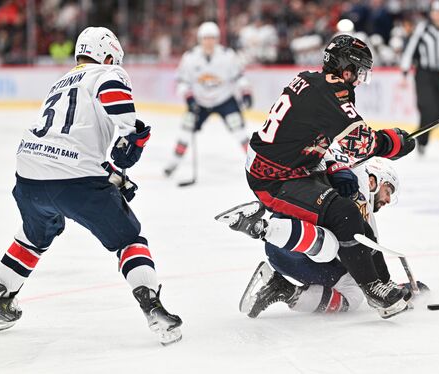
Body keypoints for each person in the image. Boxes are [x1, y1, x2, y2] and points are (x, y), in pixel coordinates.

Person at [0, 27, 182, 345]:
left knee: (33, 235)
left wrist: (110, 171)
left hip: (29, 173)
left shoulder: (59, 82)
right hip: (75, 178)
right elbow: (125, 130)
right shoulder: (107, 73)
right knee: (129, 239)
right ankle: (154, 309)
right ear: (107, 56)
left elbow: (66, 138)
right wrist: (134, 139)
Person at [216, 34, 416, 319]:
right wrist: (394, 142)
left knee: (353, 211)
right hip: (275, 179)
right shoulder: (331, 93)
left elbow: (313, 139)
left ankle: (381, 283)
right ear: (346, 69)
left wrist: (332, 166)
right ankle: (372, 287)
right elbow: (360, 143)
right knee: (345, 214)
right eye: (359, 73)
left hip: (290, 168)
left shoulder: (314, 83)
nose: (360, 80)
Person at [235, 157, 425, 318]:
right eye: (388, 190)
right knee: (353, 293)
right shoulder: (358, 193)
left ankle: (278, 283)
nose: (388, 199)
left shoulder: (345, 180)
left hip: (284, 245)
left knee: (350, 260)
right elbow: (367, 251)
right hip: (296, 246)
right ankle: (282, 281)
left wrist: (390, 286)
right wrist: (386, 284)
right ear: (373, 181)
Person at [164, 21, 253, 177]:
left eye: (212, 38)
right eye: (206, 38)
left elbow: (239, 77)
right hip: (200, 102)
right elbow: (181, 81)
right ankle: (173, 163)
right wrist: (189, 98)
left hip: (225, 99)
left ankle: (256, 163)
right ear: (200, 39)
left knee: (239, 131)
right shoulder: (190, 57)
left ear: (217, 39)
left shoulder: (228, 55)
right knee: (186, 130)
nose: (209, 41)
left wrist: (246, 92)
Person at [400, 0, 439, 155]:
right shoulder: (423, 28)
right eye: (435, 12)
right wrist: (405, 71)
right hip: (423, 74)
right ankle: (420, 141)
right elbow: (410, 49)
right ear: (430, 13)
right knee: (428, 108)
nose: (437, 15)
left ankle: (419, 137)